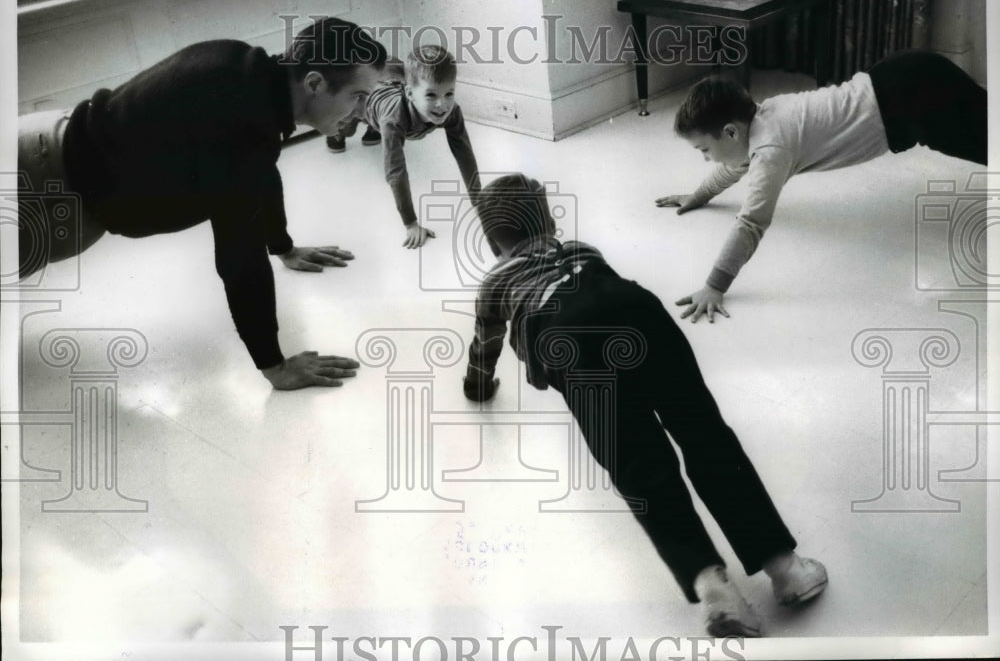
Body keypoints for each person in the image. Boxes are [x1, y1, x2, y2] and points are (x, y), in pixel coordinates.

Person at [463, 173, 828, 637]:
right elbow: (604, 294)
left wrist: (477, 384)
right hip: (634, 307)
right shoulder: (581, 249)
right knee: (703, 432)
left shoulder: (495, 282)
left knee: (638, 463)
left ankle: (711, 584)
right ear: (551, 219)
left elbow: (485, 342)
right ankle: (784, 565)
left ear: (495, 243)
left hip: (564, 337)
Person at [16, 16, 387, 390]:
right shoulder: (247, 123)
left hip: (40, 148)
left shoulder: (247, 72)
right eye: (358, 96)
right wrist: (275, 366)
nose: (361, 112)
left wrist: (283, 246)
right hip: (40, 189)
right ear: (315, 83)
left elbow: (260, 171)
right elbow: (239, 257)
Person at [656, 49, 988, 323]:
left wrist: (714, 286)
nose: (705, 159)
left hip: (914, 96)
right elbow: (733, 168)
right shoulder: (759, 122)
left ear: (730, 132)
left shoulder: (771, 149)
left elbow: (752, 222)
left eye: (704, 150)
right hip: (903, 78)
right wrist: (699, 196)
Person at [365, 45, 483, 248]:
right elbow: (396, 172)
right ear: (410, 94)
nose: (442, 105)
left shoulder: (452, 111)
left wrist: (478, 200)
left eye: (449, 93)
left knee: (393, 67)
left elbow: (464, 153)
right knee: (344, 124)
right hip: (366, 99)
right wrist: (410, 223)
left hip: (392, 73)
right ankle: (344, 132)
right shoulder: (393, 119)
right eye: (431, 95)